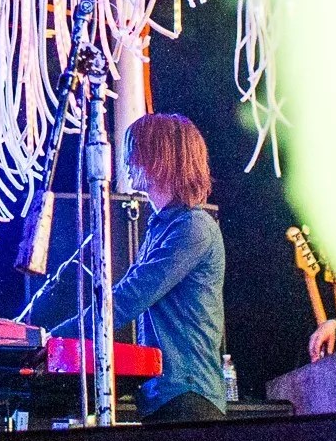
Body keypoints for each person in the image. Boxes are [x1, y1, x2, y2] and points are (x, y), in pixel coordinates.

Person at [51, 112, 228, 423]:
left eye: (135, 152)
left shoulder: (193, 227)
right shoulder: (161, 226)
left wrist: (51, 338)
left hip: (188, 398)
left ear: (162, 158)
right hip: (163, 397)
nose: (127, 162)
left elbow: (128, 299)